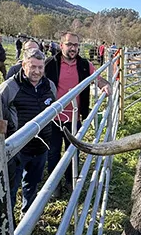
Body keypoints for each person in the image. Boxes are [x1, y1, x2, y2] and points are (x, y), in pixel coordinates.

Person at [46, 32, 110, 195]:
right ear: (61, 46)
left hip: (74, 117)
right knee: (53, 151)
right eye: (69, 44)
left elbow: (98, 78)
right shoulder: (50, 64)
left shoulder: (84, 65)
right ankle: (54, 185)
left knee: (72, 150)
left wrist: (105, 85)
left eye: (76, 45)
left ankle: (70, 180)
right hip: (53, 117)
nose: (73, 48)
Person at [0, 49, 54, 217]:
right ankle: (8, 223)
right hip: (17, 149)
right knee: (12, 187)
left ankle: (28, 217)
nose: (37, 71)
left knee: (32, 183)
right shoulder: (9, 87)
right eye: (32, 67)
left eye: (40, 67)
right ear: (23, 65)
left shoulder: (49, 86)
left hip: (41, 145)